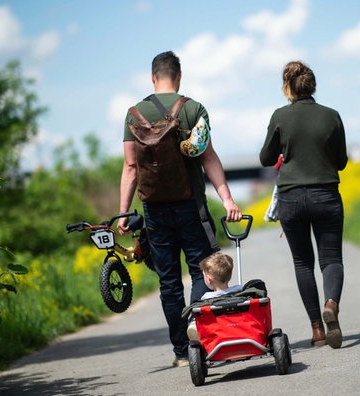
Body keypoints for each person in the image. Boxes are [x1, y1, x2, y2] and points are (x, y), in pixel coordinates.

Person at [118, 51, 242, 367]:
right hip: (192, 206)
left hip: (154, 211)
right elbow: (208, 157)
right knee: (205, 270)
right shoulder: (192, 109)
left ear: (152, 77)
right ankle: (198, 328)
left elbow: (131, 167)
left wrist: (123, 212)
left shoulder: (134, 115)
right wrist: (227, 198)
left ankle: (181, 353)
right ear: (179, 76)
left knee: (169, 281)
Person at [259, 60, 348, 349]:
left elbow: (264, 158)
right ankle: (331, 305)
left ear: (288, 87)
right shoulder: (332, 116)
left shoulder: (280, 116)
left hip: (291, 198)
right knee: (331, 259)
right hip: (326, 194)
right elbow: (341, 161)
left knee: (303, 263)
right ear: (312, 86)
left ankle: (317, 330)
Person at [187, 252, 244, 341]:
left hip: (218, 332)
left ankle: (195, 325)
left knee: (196, 317)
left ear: (209, 280)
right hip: (238, 326)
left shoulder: (206, 298)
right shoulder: (239, 291)